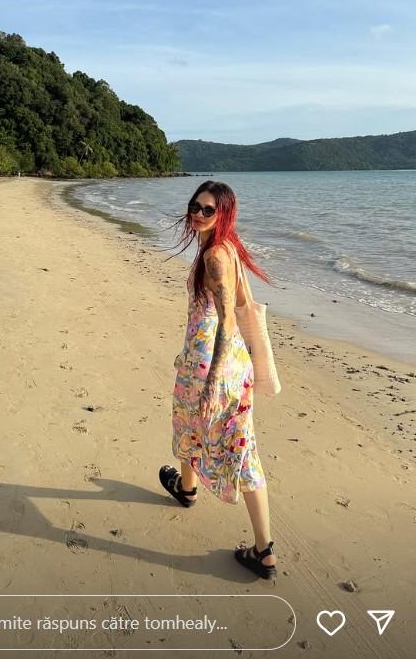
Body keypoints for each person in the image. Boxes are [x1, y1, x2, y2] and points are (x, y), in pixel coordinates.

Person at [159, 180, 278, 580]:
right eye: (195, 206)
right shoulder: (228, 247)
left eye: (208, 209)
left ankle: (189, 492)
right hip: (230, 366)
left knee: (191, 427)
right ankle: (261, 547)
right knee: (241, 447)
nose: (198, 213)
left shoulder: (214, 257)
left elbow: (227, 320)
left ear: (223, 213)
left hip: (209, 367)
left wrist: (211, 382)